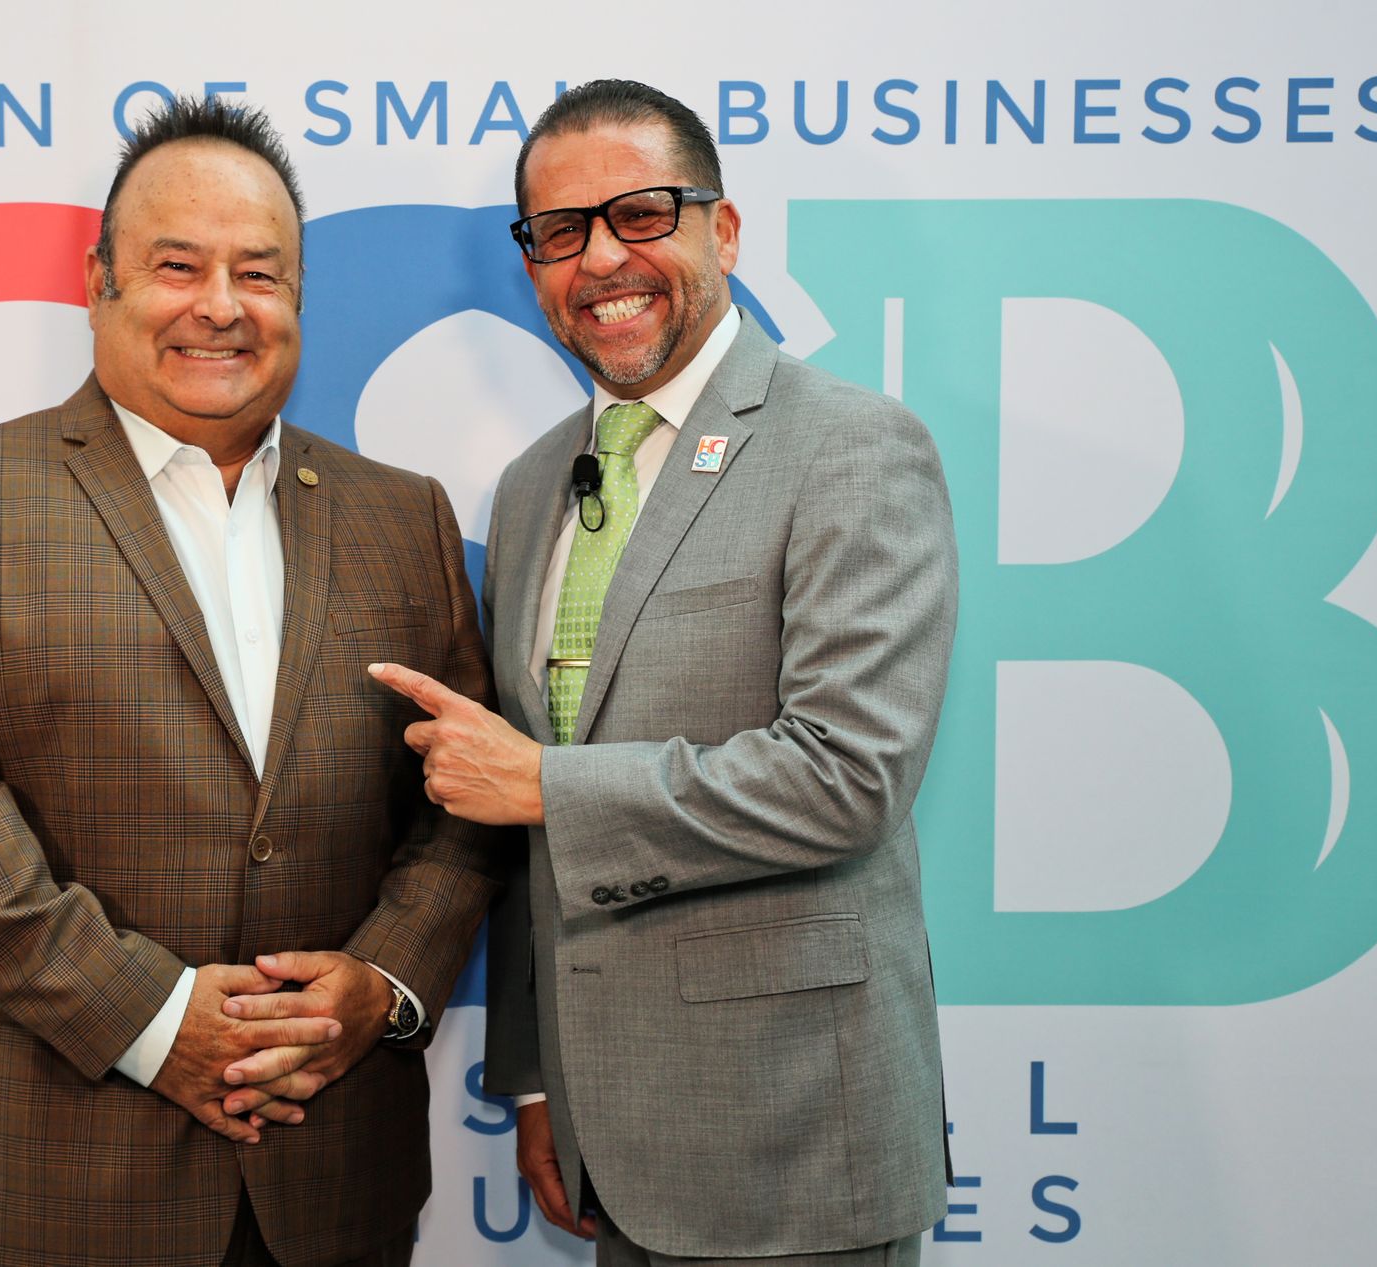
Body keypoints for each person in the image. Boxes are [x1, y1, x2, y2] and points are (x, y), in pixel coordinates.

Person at [0, 97, 496, 1267]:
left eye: (261, 272)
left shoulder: (406, 515)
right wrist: (151, 1019)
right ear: (99, 280)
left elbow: (466, 796)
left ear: (300, 295)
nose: (221, 306)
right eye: (176, 266)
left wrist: (382, 980)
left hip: (335, 1164)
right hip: (59, 1169)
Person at [368, 79, 957, 1266]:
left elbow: (848, 776)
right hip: (603, 1139)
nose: (600, 260)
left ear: (722, 231)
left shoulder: (850, 445)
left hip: (793, 1139)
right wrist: (536, 1079)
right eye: (560, 231)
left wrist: (546, 786)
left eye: (641, 214)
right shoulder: (536, 485)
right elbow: (531, 834)